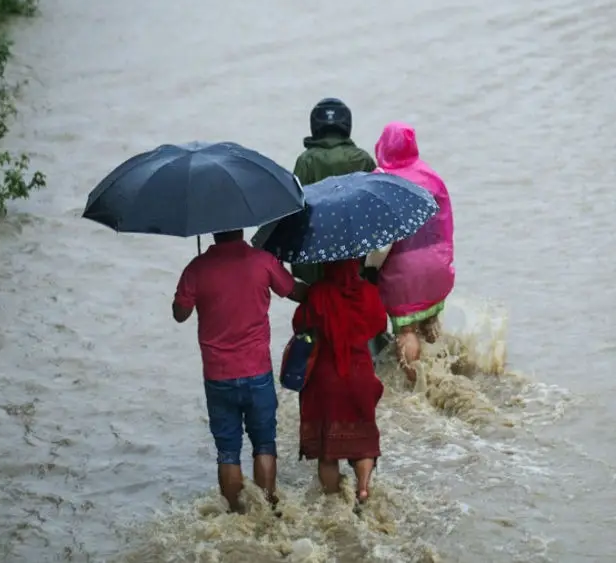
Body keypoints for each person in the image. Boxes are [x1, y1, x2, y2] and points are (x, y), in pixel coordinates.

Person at [172, 229, 308, 512]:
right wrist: (321, 290)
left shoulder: (197, 268)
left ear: (211, 231)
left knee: (227, 451)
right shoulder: (262, 261)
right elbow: (292, 290)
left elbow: (180, 314)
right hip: (257, 371)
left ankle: (237, 516)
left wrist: (191, 285)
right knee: (265, 444)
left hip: (218, 376)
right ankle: (269, 509)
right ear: (241, 228)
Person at [291, 258, 387, 503]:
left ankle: (333, 499)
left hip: (327, 380)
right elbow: (378, 325)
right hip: (360, 376)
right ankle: (363, 488)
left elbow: (299, 324)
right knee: (363, 441)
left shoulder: (318, 293)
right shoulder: (368, 292)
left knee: (328, 451)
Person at [366, 122, 456, 383]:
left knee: (406, 330)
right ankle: (444, 374)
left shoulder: (382, 180)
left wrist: (371, 267)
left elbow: (382, 243)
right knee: (430, 323)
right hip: (437, 264)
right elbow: (445, 223)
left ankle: (417, 387)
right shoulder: (431, 176)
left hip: (404, 272)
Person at [291, 97, 377, 286]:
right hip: (355, 257)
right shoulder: (362, 158)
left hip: (316, 259)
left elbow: (295, 208)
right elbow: (375, 209)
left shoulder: (306, 160)